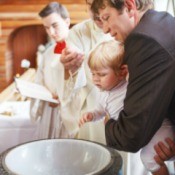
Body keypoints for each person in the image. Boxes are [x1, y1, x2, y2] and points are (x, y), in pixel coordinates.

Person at [90, 0, 175, 174]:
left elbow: (130, 136)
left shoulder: (143, 40)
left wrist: (108, 122)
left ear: (129, 7)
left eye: (107, 18)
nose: (105, 29)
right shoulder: (164, 21)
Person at [60, 0, 113, 144]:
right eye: (90, 5)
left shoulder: (122, 26)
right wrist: (72, 68)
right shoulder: (78, 32)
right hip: (91, 105)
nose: (96, 12)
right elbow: (73, 82)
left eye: (99, 3)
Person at [30, 2, 70, 139]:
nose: (51, 32)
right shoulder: (47, 53)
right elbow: (39, 81)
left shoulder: (79, 49)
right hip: (49, 112)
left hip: (70, 114)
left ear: (67, 22)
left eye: (55, 25)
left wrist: (63, 97)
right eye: (47, 28)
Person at [79, 40, 128, 128]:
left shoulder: (127, 91)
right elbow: (100, 111)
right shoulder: (104, 91)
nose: (95, 79)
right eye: (93, 73)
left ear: (122, 72)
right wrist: (92, 115)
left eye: (102, 74)